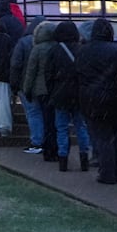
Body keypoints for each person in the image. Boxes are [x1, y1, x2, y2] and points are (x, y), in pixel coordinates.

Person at [77, 17, 117, 185]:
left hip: (93, 100)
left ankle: (107, 172)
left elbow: (78, 75)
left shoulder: (83, 52)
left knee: (103, 137)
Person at [44, 20, 91, 173]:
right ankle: (84, 158)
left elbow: (48, 75)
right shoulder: (82, 50)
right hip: (78, 94)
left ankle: (63, 160)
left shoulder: (54, 51)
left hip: (60, 94)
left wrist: (52, 91)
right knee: (81, 127)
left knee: (61, 128)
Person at [22, 20, 61, 161]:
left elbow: (31, 71)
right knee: (56, 121)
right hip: (55, 89)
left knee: (45, 119)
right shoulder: (58, 47)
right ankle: (58, 149)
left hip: (41, 90)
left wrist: (27, 89)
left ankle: (48, 148)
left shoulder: (37, 49)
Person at [10, 20, 41, 153]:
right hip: (44, 85)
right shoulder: (50, 43)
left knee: (32, 113)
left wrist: (14, 84)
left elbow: (16, 64)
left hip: (25, 83)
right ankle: (44, 141)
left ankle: (37, 142)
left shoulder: (23, 42)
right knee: (42, 113)